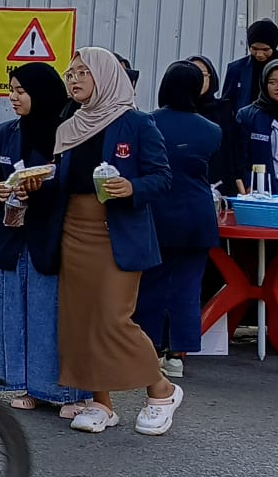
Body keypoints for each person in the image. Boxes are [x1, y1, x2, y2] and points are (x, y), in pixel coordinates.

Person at [34, 47, 179, 436]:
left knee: (113, 318)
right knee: (80, 319)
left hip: (117, 231)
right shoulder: (69, 124)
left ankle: (161, 390)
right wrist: (35, 183)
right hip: (73, 230)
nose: (74, 79)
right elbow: (62, 180)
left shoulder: (137, 122)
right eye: (70, 73)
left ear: (107, 76)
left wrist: (132, 187)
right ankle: (101, 402)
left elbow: (163, 178)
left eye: (84, 72)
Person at [0, 63, 90, 417]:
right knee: (16, 311)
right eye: (11, 90)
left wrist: (40, 190)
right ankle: (25, 385)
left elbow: (72, 185)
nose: (13, 98)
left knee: (51, 312)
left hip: (52, 233)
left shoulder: (67, 133)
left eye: (21, 91)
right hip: (13, 234)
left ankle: (66, 392)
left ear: (41, 93)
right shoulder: (6, 131)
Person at [135, 62, 221, 379]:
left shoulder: (148, 123)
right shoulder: (212, 130)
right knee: (188, 286)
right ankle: (177, 355)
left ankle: (149, 350)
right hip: (197, 215)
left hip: (157, 213)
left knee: (151, 284)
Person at [235, 58, 278, 193]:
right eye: (272, 82)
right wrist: (247, 182)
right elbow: (240, 157)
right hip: (262, 189)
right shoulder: (248, 116)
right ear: (264, 84)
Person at [186, 55, 241, 195]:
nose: (198, 79)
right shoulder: (175, 111)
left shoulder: (224, 109)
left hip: (221, 179)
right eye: (192, 73)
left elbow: (234, 148)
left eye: (203, 74)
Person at [222, 19, 278, 110]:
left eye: (265, 50)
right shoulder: (236, 68)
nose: (259, 54)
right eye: (254, 49)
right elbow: (226, 103)